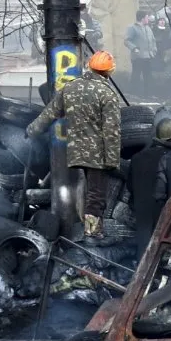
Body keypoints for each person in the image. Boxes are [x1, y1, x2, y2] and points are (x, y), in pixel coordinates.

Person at [27, 51, 121, 232]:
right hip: (97, 155)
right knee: (96, 196)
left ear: (90, 67)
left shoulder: (71, 87)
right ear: (109, 71)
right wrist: (112, 162)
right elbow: (112, 132)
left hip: (76, 152)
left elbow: (49, 114)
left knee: (87, 191)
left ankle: (85, 228)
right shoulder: (107, 94)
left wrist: (32, 130)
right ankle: (92, 234)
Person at [129, 118, 171, 257]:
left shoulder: (137, 158)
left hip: (142, 216)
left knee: (143, 258)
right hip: (165, 217)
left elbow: (130, 188)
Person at [124, 10, 157, 96]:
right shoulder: (132, 28)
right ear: (142, 18)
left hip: (148, 56)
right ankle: (133, 94)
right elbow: (127, 41)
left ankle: (148, 94)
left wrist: (154, 50)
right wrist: (134, 48)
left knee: (148, 76)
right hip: (138, 56)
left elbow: (153, 40)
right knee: (136, 76)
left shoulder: (148, 28)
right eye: (147, 17)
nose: (148, 19)